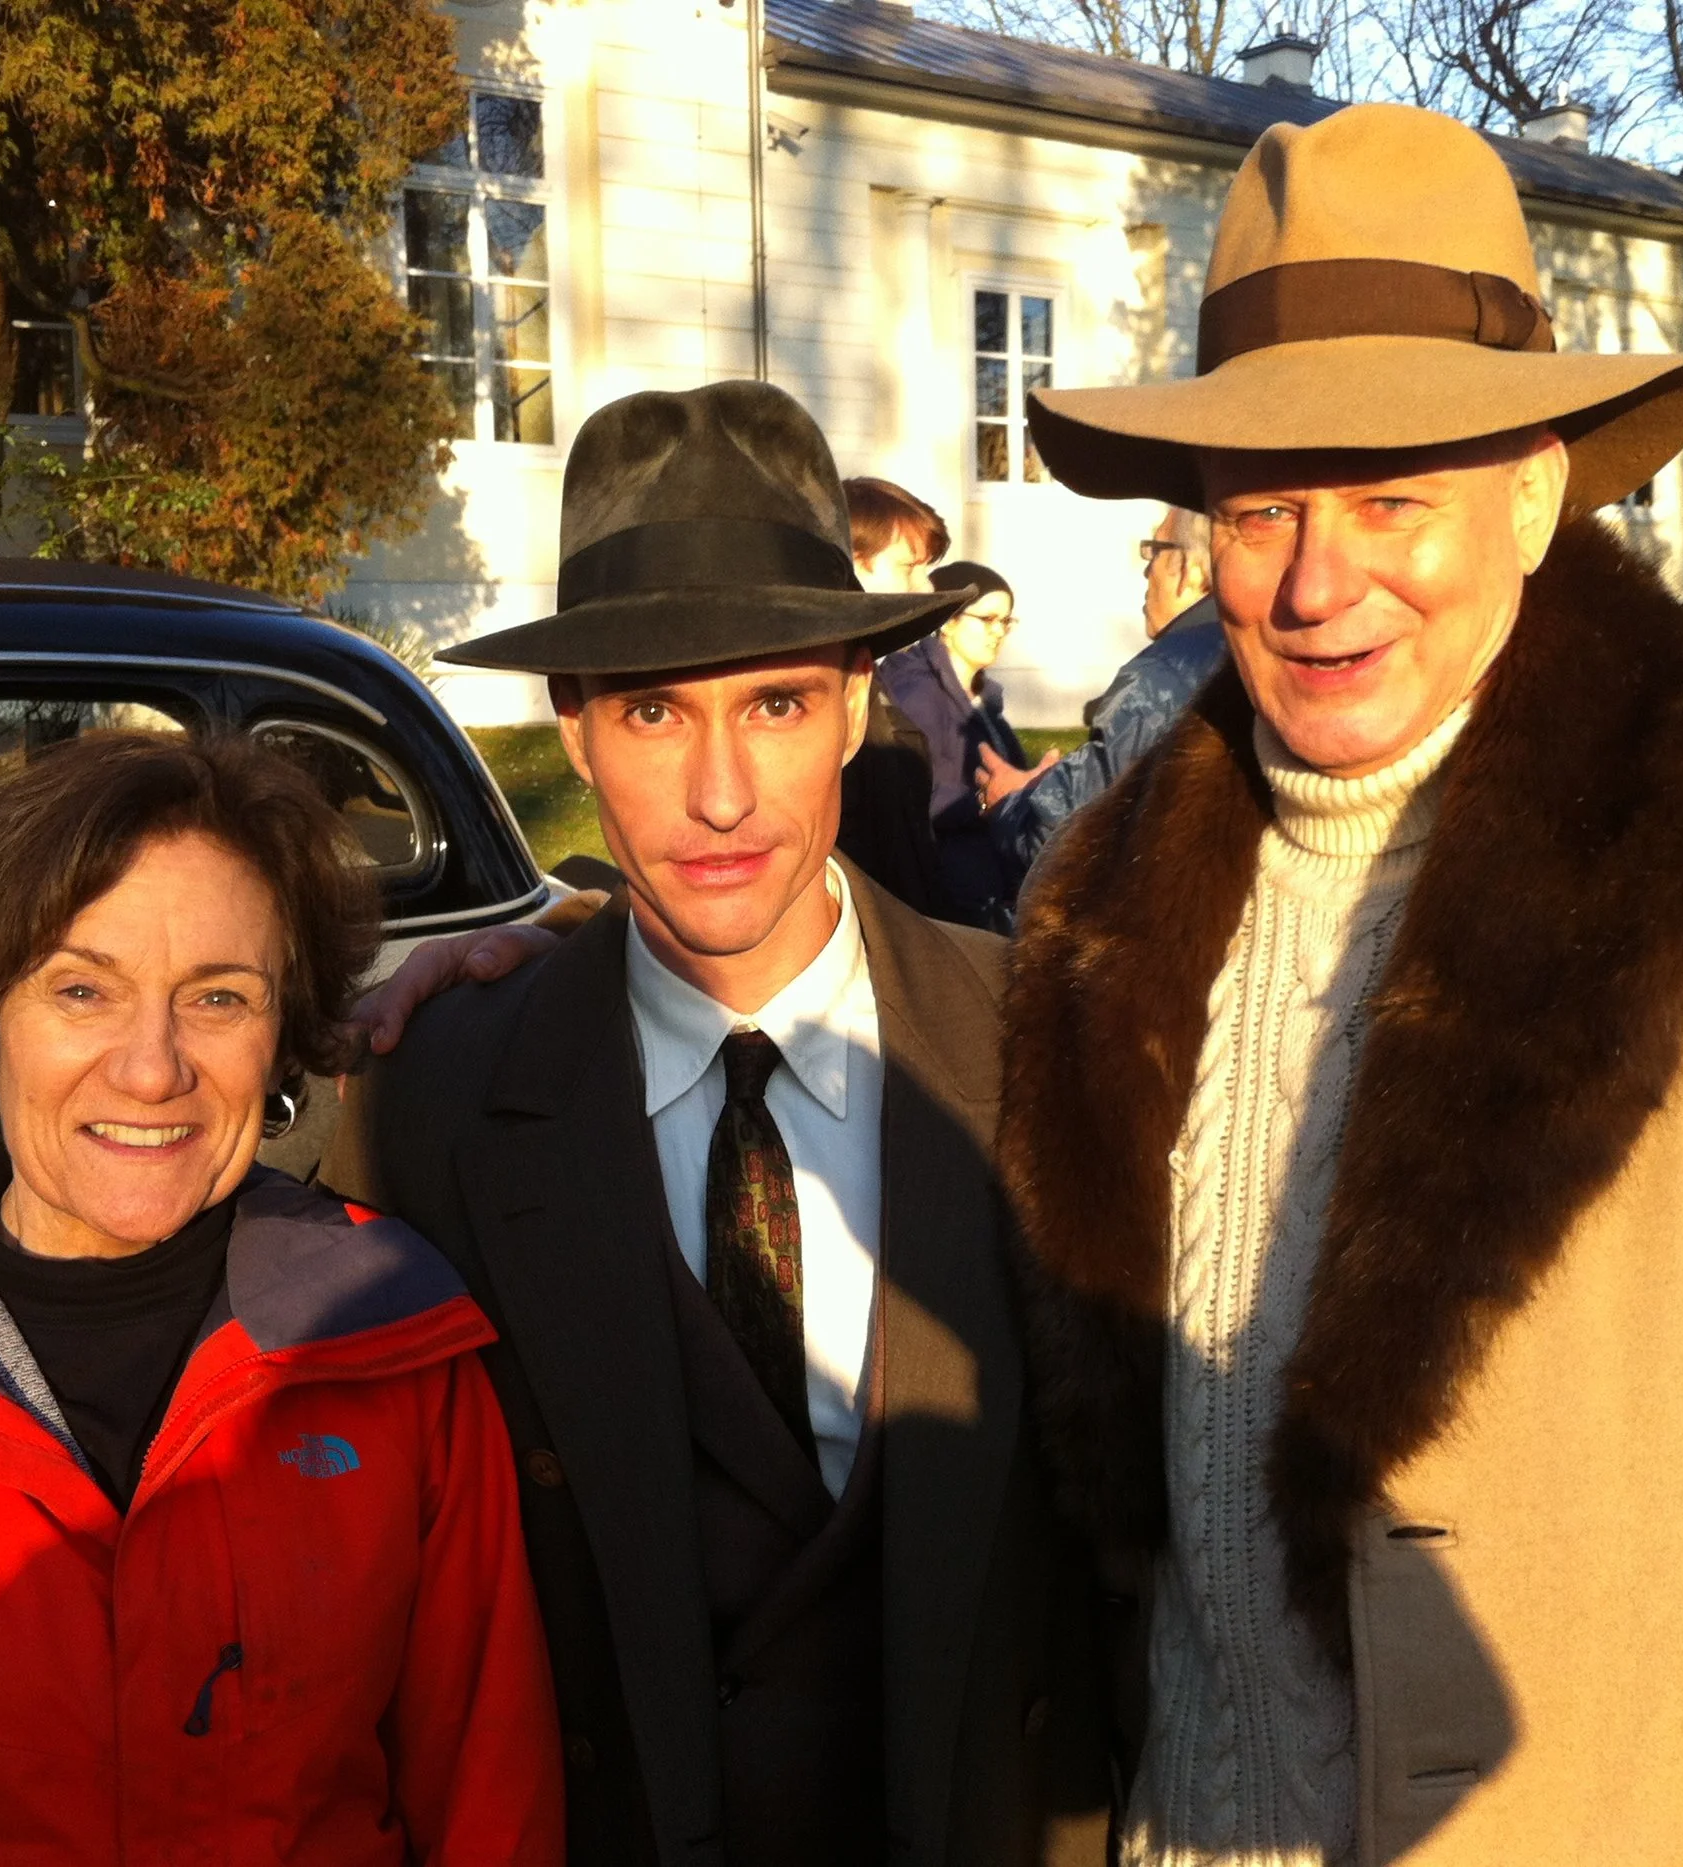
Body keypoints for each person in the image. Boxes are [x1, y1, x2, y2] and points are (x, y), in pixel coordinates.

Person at [1002, 102, 1683, 1864]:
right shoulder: (1099, 906)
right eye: (1264, 504)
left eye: (1390, 496)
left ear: (1531, 496)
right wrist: (544, 966)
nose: (1317, 580)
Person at [323, 381, 1109, 1867]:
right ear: (571, 722)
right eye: (651, 709)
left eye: (777, 702)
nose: (722, 792)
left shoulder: (1044, 1045)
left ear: (860, 702)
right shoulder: (435, 1092)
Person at [0, 731, 562, 1866]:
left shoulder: (395, 1347)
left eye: (219, 997)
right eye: (82, 989)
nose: (151, 1067)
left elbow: (492, 1807)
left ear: (282, 1044)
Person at [978, 506, 1227, 887]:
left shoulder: (1164, 678)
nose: (1146, 571)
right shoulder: (1246, 653)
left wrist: (1008, 803)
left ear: (1191, 572)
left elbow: (1058, 841)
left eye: (1155, 551)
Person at [877, 561, 1033, 928]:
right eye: (988, 618)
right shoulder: (917, 693)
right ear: (948, 622)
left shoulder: (985, 701)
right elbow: (911, 798)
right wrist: (986, 799)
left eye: (1006, 622)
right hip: (944, 901)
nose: (998, 632)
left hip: (989, 893)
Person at [834, 475, 956, 918]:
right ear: (856, 563)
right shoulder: (828, 697)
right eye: (909, 568)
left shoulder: (873, 684)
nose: (925, 588)